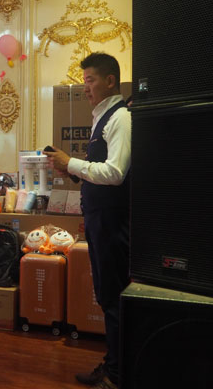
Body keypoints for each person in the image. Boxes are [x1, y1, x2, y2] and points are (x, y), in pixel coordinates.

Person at [44, 52, 131, 389]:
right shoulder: (101, 118)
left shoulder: (120, 117)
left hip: (112, 221)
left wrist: (72, 163)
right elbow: (99, 170)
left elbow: (115, 173)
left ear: (110, 81)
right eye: (84, 82)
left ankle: (117, 375)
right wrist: (71, 168)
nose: (85, 88)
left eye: (90, 80)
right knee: (107, 295)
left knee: (114, 296)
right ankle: (113, 365)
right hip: (99, 219)